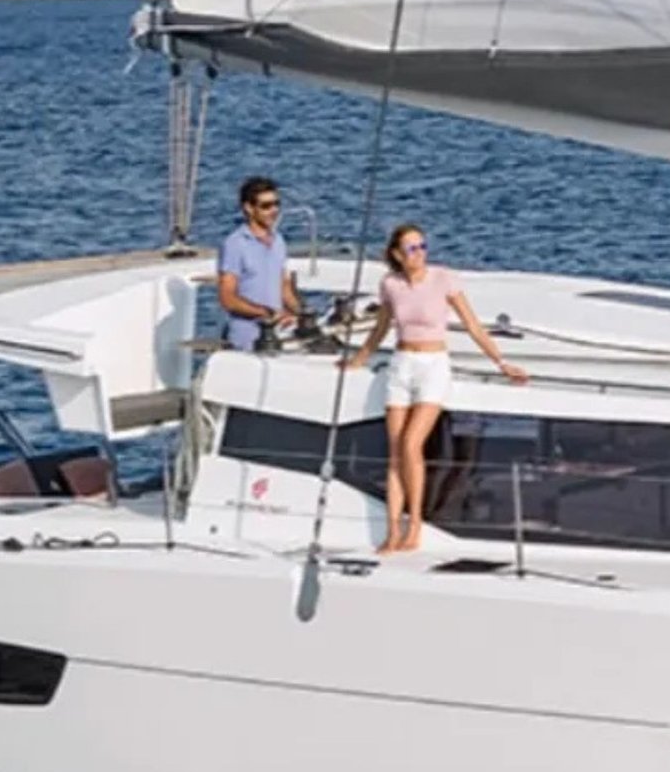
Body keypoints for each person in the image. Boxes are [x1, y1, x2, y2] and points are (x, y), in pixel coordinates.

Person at [346, 223, 528, 552]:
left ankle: (415, 522)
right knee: (395, 452)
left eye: (422, 246)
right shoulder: (390, 284)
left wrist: (501, 363)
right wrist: (358, 359)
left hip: (432, 366)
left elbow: (473, 326)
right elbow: (381, 327)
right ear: (397, 254)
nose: (420, 253)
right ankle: (392, 531)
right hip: (402, 364)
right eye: (412, 248)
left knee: (411, 444)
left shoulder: (443, 279)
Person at [218, 176, 302, 351]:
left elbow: (284, 287)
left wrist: (300, 313)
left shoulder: (278, 241)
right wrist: (266, 312)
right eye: (266, 206)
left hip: (276, 336)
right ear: (249, 208)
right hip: (246, 339)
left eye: (276, 204)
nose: (274, 210)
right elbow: (228, 298)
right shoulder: (235, 244)